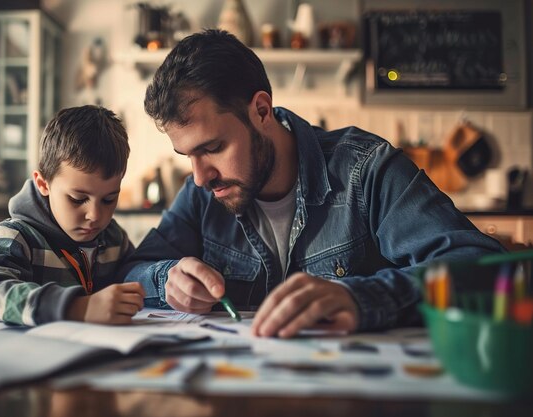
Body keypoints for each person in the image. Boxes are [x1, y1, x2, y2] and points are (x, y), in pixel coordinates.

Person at [120, 30, 504, 338]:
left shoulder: (365, 170)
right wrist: (166, 278)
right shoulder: (203, 194)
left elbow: (484, 269)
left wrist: (359, 298)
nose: (201, 176)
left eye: (214, 148)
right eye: (187, 155)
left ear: (261, 111)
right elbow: (130, 274)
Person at [0, 105, 145, 326]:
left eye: (109, 199)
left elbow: (137, 273)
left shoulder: (114, 238)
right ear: (43, 183)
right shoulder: (16, 237)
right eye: (78, 199)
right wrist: (77, 307)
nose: (95, 215)